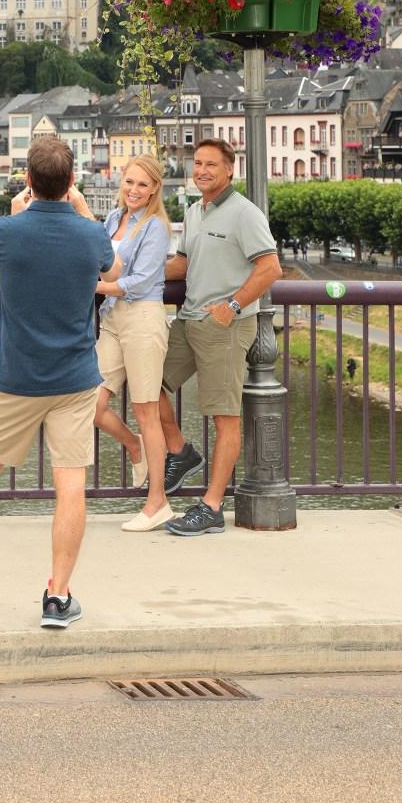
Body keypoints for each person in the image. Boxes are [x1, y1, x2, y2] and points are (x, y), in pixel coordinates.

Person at [0, 138, 121, 627]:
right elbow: (115, 268)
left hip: (16, 378)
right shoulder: (90, 233)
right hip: (76, 378)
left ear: (29, 180)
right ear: (72, 180)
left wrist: (16, 214)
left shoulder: (9, 230)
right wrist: (80, 210)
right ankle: (57, 597)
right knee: (71, 484)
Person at [160, 138, 282, 536]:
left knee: (224, 416)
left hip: (224, 326)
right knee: (148, 385)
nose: (202, 171)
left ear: (230, 170)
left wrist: (230, 307)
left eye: (211, 165)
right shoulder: (196, 210)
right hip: (188, 319)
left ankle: (211, 507)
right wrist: (128, 274)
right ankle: (181, 451)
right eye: (197, 163)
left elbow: (270, 268)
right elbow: (183, 263)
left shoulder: (244, 213)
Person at [93, 154, 174, 533]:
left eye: (143, 184)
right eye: (129, 182)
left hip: (142, 318)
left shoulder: (156, 227)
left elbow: (141, 281)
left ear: (155, 188)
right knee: (88, 402)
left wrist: (98, 286)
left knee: (146, 411)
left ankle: (157, 502)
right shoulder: (112, 220)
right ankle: (135, 445)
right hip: (112, 318)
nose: (134, 190)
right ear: (120, 181)